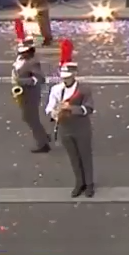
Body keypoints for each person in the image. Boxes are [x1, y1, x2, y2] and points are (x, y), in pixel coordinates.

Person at [46, 40, 95, 197]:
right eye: (63, 77)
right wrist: (53, 113)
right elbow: (49, 107)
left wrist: (71, 108)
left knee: (85, 156)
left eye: (68, 77)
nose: (65, 80)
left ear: (74, 75)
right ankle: (79, 182)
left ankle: (89, 184)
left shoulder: (83, 90)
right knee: (73, 157)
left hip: (81, 127)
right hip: (65, 128)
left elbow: (88, 108)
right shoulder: (56, 90)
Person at [10, 21, 51, 153]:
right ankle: (44, 136)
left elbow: (40, 79)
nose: (21, 53)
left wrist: (21, 81)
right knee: (27, 117)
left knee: (31, 118)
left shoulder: (32, 62)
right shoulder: (20, 59)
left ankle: (43, 144)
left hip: (31, 94)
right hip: (23, 93)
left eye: (24, 52)